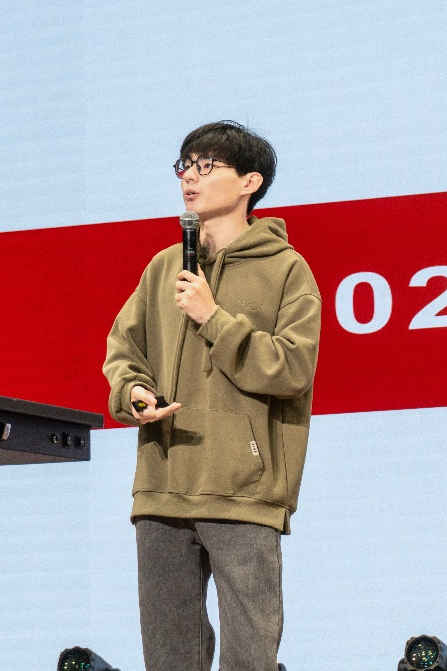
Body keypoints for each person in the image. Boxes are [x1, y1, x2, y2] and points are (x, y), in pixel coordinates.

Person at [103, 121, 321, 671]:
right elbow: (124, 349)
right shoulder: (164, 267)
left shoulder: (287, 270)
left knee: (250, 658)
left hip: (243, 489)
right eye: (185, 166)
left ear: (250, 182)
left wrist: (213, 317)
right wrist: (133, 391)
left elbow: (292, 369)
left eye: (206, 166)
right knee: (168, 659)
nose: (189, 178)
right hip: (162, 486)